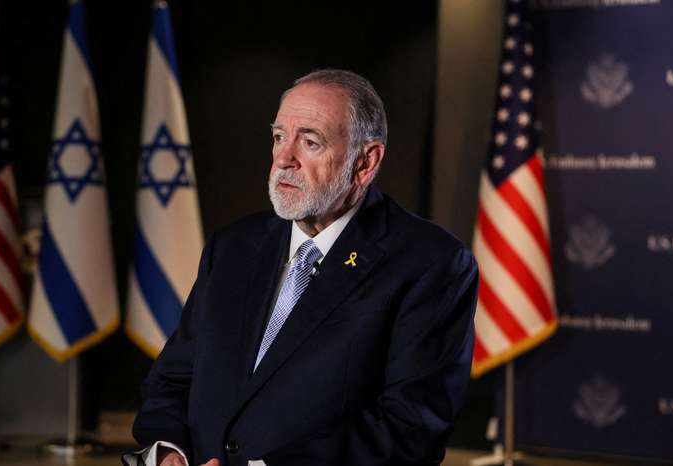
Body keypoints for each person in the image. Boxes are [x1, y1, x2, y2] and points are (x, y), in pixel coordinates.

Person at [126, 69, 478, 466]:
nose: (283, 158)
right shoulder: (233, 247)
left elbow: (411, 428)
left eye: (309, 141)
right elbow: (173, 379)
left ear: (365, 162)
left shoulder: (430, 263)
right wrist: (169, 451)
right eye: (279, 137)